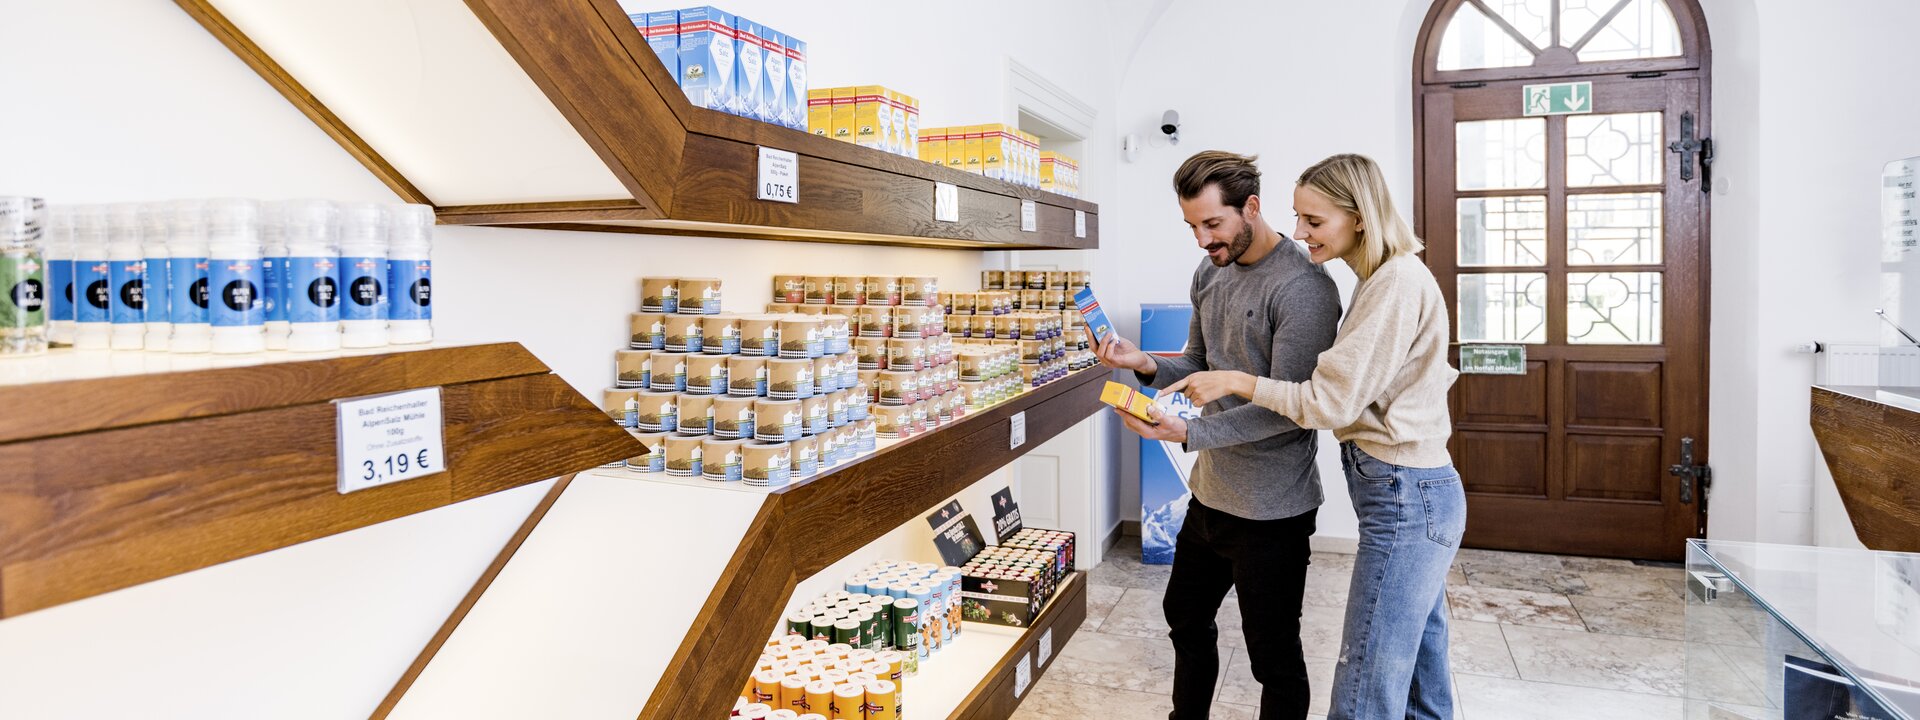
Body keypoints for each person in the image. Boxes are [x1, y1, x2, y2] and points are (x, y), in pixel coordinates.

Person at [1163, 153, 1466, 720]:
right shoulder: (1378, 280)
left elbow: (1323, 401)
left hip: (1402, 490)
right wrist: (1150, 368)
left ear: (1360, 216)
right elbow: (1197, 361)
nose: (1300, 232)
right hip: (1394, 486)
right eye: (1299, 218)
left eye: (1314, 220)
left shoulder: (1380, 285)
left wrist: (1223, 396)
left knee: (1365, 679)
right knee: (1421, 676)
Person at [1097, 150, 1340, 720]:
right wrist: (1146, 364)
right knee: (1184, 616)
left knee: (1273, 658)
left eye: (1213, 224)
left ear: (1251, 207)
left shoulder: (1305, 288)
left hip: (1273, 510)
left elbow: (1291, 409)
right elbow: (1199, 363)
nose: (1203, 241)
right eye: (1192, 226)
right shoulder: (1210, 271)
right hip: (1210, 497)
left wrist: (1187, 431)